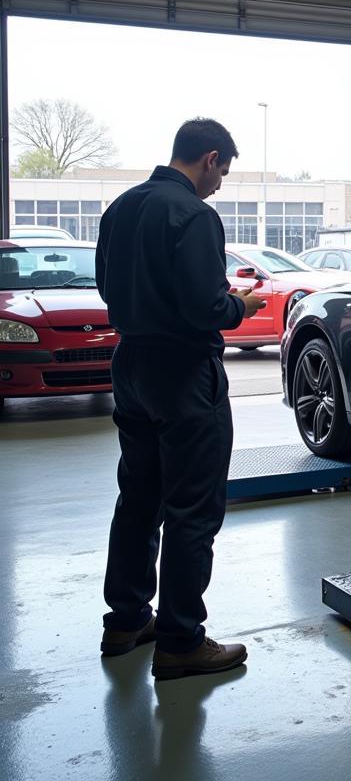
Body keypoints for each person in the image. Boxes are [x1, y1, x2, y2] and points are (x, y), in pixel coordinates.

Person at [96, 118, 266, 681]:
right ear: (210, 158)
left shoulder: (120, 208)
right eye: (223, 171)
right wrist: (239, 306)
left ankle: (125, 621)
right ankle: (180, 641)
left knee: (138, 496)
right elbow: (204, 307)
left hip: (131, 364)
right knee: (192, 508)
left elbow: (105, 285)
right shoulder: (194, 215)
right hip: (185, 372)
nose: (220, 184)